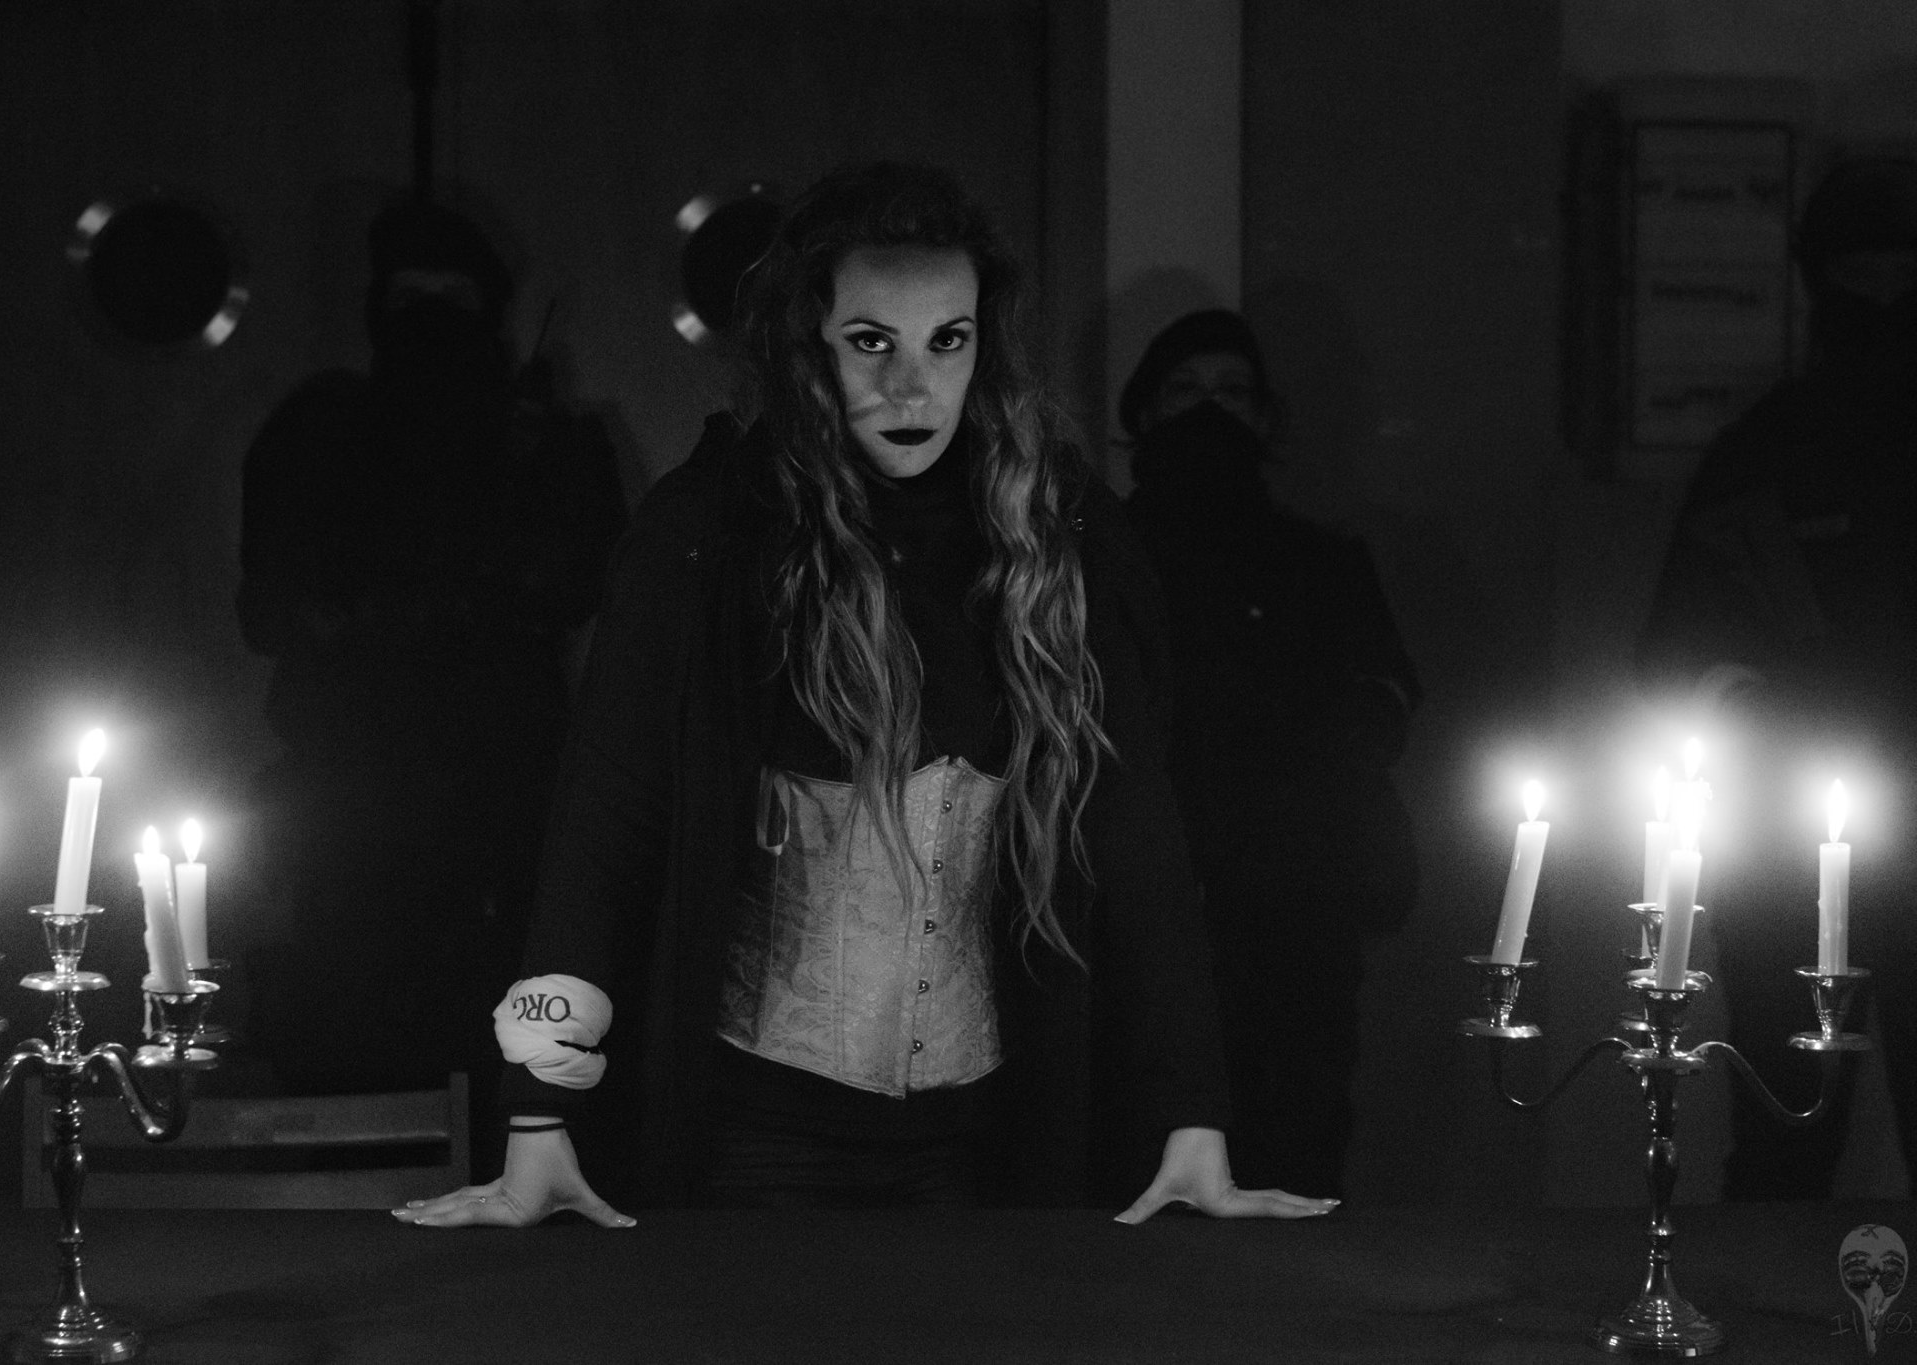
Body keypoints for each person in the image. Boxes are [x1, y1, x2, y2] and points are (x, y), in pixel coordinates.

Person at [393, 163, 1338, 1226]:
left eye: (948, 340)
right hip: (756, 1137)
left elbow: (1137, 834)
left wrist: (1191, 1114)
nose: (911, 386)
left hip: (987, 1138)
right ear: (810, 344)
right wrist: (537, 1113)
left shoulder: (1056, 535)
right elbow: (606, 819)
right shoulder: (710, 535)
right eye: (871, 341)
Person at [237, 199, 626, 1178]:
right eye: (410, 299)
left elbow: (581, 578)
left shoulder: (545, 439)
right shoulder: (321, 430)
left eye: (455, 299)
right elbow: (272, 605)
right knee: (353, 1083)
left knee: (506, 1083)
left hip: (504, 820)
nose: (432, 323)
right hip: (352, 813)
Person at [1636, 156, 1917, 1200]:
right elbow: (1674, 658)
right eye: (1863, 273)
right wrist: (1768, 712)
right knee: (1782, 1136)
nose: (1883, 297)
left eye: (1901, 272)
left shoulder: (1763, 447)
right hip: (1792, 849)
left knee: (1782, 1141)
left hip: (1803, 841)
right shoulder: (1762, 454)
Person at [1119, 310, 1420, 1200]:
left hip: (1293, 919)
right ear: (1145, 410)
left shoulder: (1321, 564)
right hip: (1136, 910)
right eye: (1185, 391)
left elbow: (1386, 701)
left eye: (1230, 393)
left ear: (1263, 414)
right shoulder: (1093, 562)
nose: (1208, 414)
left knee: (1293, 1141)